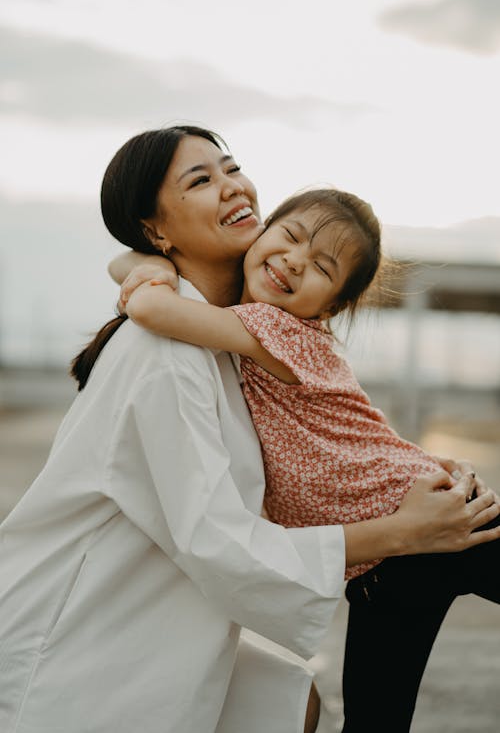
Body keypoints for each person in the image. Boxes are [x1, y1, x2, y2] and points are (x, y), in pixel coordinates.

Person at [1, 126, 497, 733]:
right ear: (156, 227)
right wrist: (398, 532)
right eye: (202, 180)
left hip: (165, 604)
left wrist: (145, 263)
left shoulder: (234, 331)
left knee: (298, 702)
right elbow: (219, 542)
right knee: (305, 696)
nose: (232, 187)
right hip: (84, 628)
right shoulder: (167, 358)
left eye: (231, 168)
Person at [117, 183, 500, 732]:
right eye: (290, 237)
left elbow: (151, 309)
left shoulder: (274, 329)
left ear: (332, 306)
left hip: (431, 516)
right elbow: (130, 272)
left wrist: (153, 274)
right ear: (264, 229)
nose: (294, 262)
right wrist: (148, 267)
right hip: (387, 562)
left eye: (322, 267)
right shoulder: (249, 321)